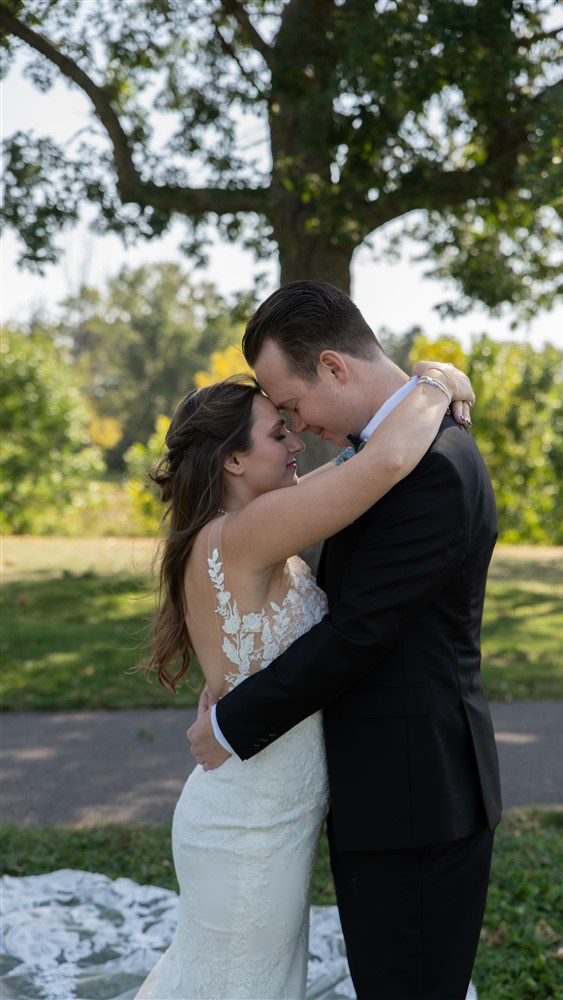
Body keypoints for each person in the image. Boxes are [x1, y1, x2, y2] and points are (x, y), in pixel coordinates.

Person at [188, 279, 502, 1000]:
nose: (297, 428)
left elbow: (359, 633)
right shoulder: (393, 452)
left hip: (417, 797)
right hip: (390, 790)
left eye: (292, 406)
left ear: (333, 366)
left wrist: (234, 724)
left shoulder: (427, 469)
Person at [134, 359, 467, 1000]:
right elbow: (383, 463)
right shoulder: (251, 530)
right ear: (232, 461)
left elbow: (351, 467)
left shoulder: (256, 522)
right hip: (248, 828)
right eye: (276, 433)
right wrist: (435, 381)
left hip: (275, 818)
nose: (296, 441)